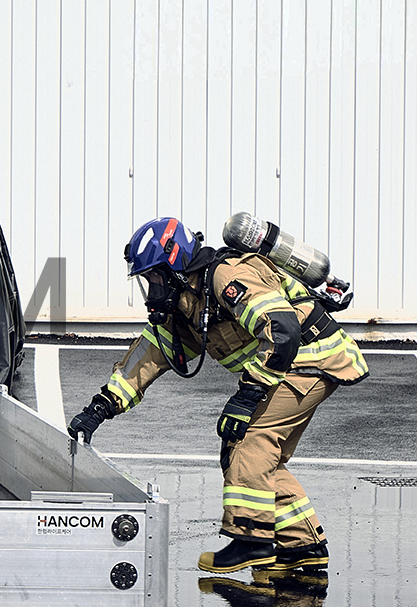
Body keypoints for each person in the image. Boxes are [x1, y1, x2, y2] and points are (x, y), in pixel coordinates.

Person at [67, 217, 368, 573]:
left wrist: (247, 395)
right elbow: (147, 358)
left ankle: (250, 540)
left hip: (310, 358)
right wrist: (99, 408)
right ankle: (302, 546)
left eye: (156, 278)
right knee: (263, 460)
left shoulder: (226, 277)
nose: (153, 288)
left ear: (175, 264)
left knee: (246, 440)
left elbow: (282, 328)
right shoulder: (188, 305)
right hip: (292, 366)